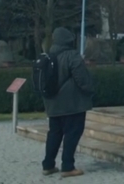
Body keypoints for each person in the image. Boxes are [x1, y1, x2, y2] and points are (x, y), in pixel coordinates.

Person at [41, 27, 94, 177]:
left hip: (52, 103)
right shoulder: (72, 56)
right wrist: (91, 90)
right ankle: (68, 166)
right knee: (72, 134)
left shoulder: (48, 56)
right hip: (72, 104)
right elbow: (83, 79)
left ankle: (48, 165)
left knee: (54, 134)